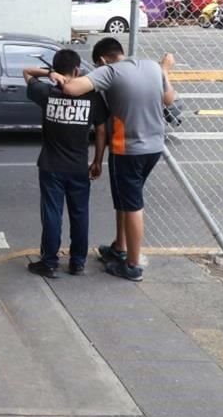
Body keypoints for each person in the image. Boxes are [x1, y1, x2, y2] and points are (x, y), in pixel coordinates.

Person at [54, 37, 176, 282]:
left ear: (101, 59)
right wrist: (164, 70)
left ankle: (132, 265)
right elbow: (168, 99)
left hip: (127, 149)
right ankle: (119, 247)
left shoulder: (109, 72)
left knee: (132, 205)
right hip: (153, 146)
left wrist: (57, 76)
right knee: (124, 199)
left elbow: (71, 89)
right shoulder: (152, 66)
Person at [23, 50, 108, 278]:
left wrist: (50, 74)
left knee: (52, 214)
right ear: (77, 71)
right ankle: (77, 262)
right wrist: (98, 160)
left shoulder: (46, 92)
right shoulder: (92, 96)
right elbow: (101, 129)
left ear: (57, 70)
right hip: (79, 166)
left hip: (51, 165)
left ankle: (49, 262)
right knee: (80, 214)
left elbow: (27, 72)